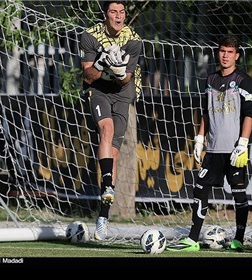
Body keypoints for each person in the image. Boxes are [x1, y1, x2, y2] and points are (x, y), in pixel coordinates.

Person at [167, 35, 252, 252]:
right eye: (222, 51)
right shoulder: (210, 80)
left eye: (230, 52)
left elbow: (249, 115)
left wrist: (243, 143)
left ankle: (238, 239)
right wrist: (200, 139)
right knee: (200, 186)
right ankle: (192, 239)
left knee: (238, 193)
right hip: (214, 149)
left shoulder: (245, 81)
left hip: (235, 149)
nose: (225, 55)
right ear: (218, 53)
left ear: (237, 55)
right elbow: (205, 113)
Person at [80, 1, 142, 241]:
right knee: (106, 128)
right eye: (114, 12)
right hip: (99, 92)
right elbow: (88, 74)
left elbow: (126, 80)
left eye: (122, 12)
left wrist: (117, 70)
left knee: (114, 155)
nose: (119, 16)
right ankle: (107, 183)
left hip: (123, 94)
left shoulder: (134, 40)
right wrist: (100, 62)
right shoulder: (90, 36)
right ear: (105, 15)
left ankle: (103, 218)